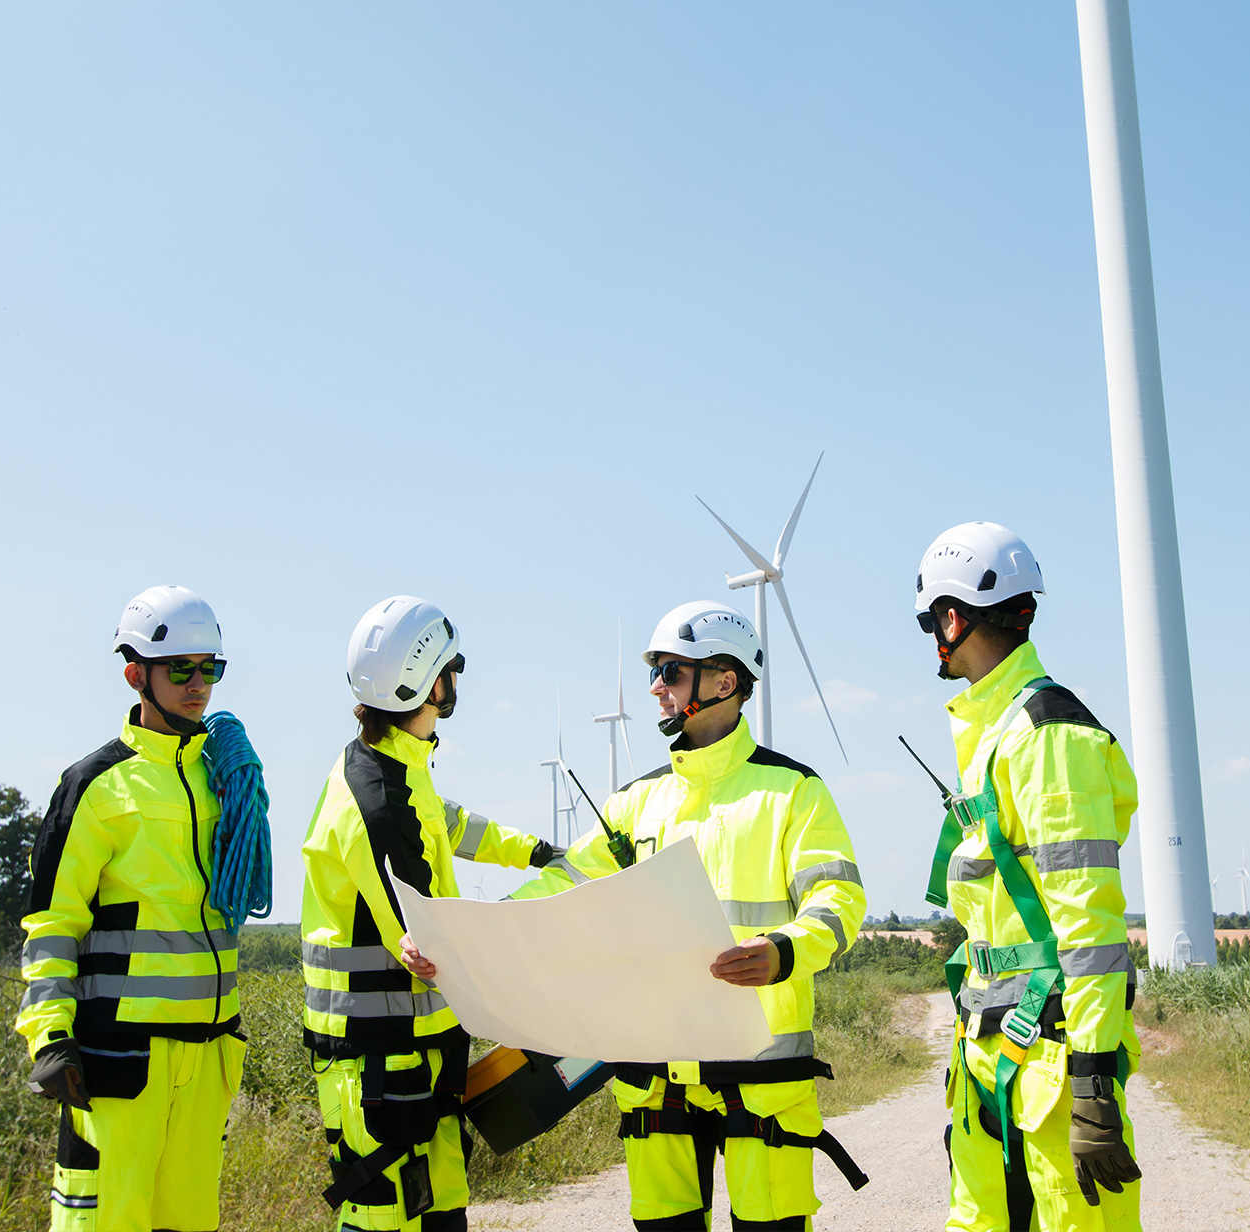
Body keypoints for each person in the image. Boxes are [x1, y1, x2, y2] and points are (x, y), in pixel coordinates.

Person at [406, 601, 867, 1231]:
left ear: (724, 683)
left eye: (672, 672)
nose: (655, 687)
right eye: (654, 672)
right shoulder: (635, 801)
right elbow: (562, 885)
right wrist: (469, 935)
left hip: (762, 1073)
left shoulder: (794, 791)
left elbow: (838, 901)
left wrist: (784, 949)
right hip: (656, 1077)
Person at [300, 596, 567, 1232]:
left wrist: (537, 851)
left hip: (421, 1048)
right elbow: (432, 943)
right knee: (383, 1216)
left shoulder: (399, 768)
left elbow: (449, 825)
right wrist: (556, 911)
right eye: (453, 667)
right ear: (428, 681)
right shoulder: (376, 803)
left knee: (442, 1214)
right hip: (376, 1058)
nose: (456, 681)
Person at [915, 523, 1144, 1232]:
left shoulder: (1048, 737)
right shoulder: (992, 734)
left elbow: (1091, 924)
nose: (931, 636)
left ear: (953, 618)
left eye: (930, 620)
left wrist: (1094, 1078)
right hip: (986, 1049)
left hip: (1052, 1055)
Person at [17, 585, 247, 1232]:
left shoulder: (224, 779)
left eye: (212, 668)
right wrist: (50, 1037)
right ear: (135, 674)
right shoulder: (92, 786)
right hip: (119, 1064)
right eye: (181, 669)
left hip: (207, 1060)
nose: (199, 684)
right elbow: (51, 924)